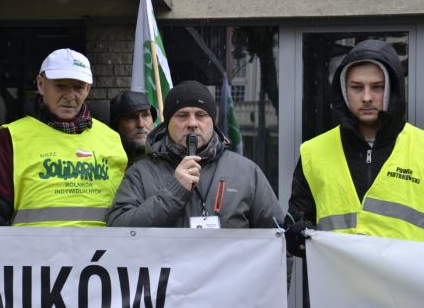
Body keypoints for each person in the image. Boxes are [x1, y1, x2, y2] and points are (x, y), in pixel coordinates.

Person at [285, 39, 424, 257]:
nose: (367, 97)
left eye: (377, 87)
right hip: (338, 286)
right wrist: (297, 234)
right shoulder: (314, 152)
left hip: (405, 288)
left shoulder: (421, 148)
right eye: (357, 87)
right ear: (343, 90)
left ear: (393, 89)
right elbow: (296, 228)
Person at [0, 48, 127, 226]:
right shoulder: (8, 139)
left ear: (88, 89)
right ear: (40, 84)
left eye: (78, 87)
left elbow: (126, 209)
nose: (70, 96)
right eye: (60, 85)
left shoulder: (111, 138)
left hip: (105, 252)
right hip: (30, 253)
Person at [107, 80, 284, 228]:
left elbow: (278, 237)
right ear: (167, 124)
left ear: (212, 122)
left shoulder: (246, 172)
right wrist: (174, 193)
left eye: (201, 115)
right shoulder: (141, 174)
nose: (192, 123)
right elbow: (117, 229)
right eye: (182, 115)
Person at [109, 91, 156, 168]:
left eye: (145, 115)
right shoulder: (105, 161)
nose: (141, 124)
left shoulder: (168, 159)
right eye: (131, 117)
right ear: (117, 124)